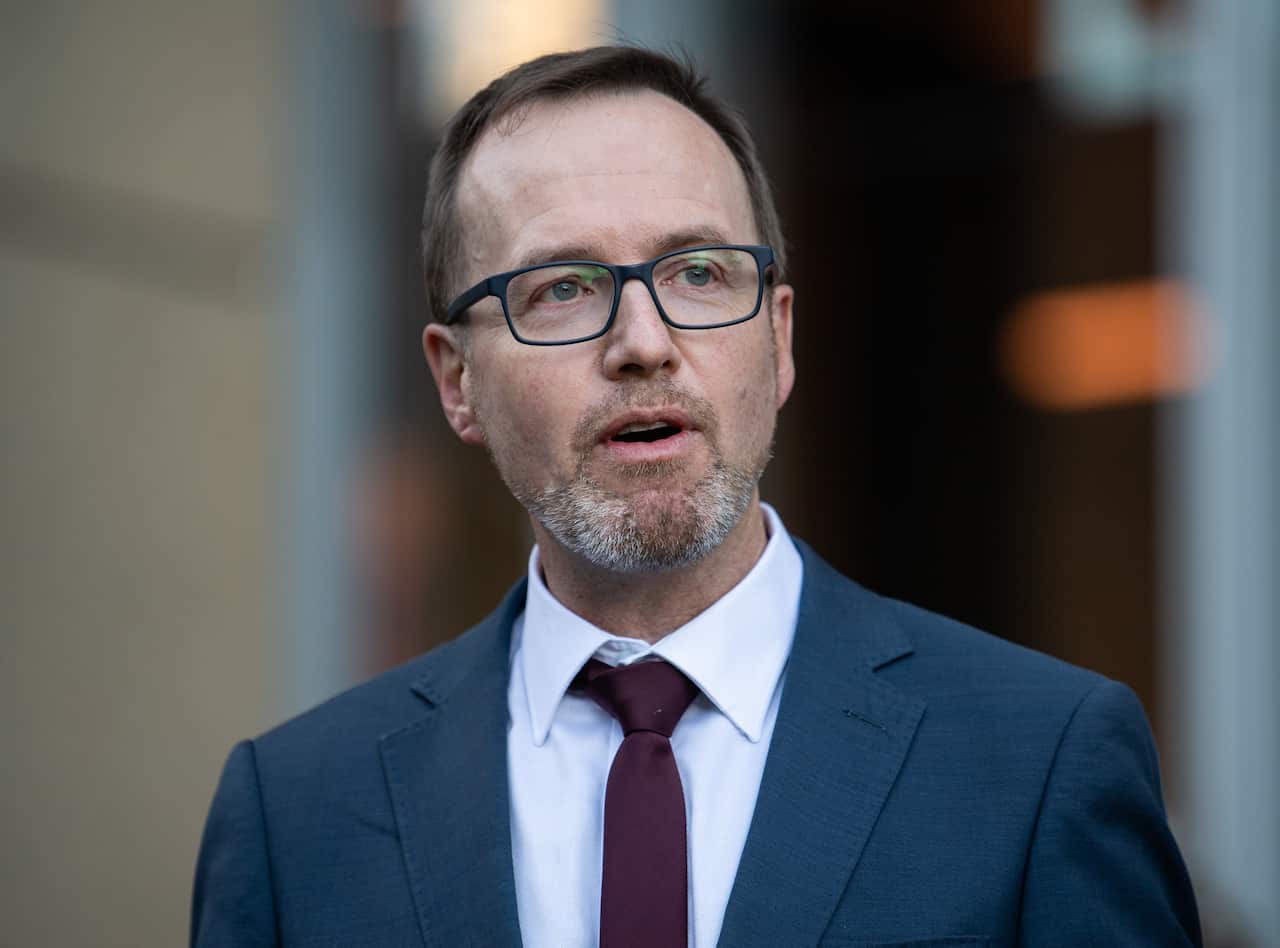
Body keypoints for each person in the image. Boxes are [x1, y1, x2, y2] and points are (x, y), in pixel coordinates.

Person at [192, 46, 1202, 947]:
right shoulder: (296, 816)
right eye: (561, 288)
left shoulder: (1038, 765)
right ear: (455, 381)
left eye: (701, 272)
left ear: (779, 337)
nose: (642, 342)